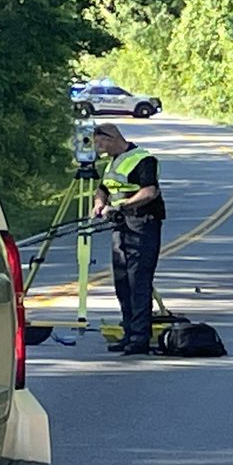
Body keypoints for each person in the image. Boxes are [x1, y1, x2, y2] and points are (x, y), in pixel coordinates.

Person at [91, 123, 165, 356]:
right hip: (120, 225)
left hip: (143, 223)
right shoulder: (114, 161)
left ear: (111, 138)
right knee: (122, 281)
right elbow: (104, 187)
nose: (98, 147)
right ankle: (128, 333)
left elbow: (149, 192)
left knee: (138, 282)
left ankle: (139, 338)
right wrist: (99, 203)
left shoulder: (143, 159)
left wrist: (121, 205)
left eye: (100, 142)